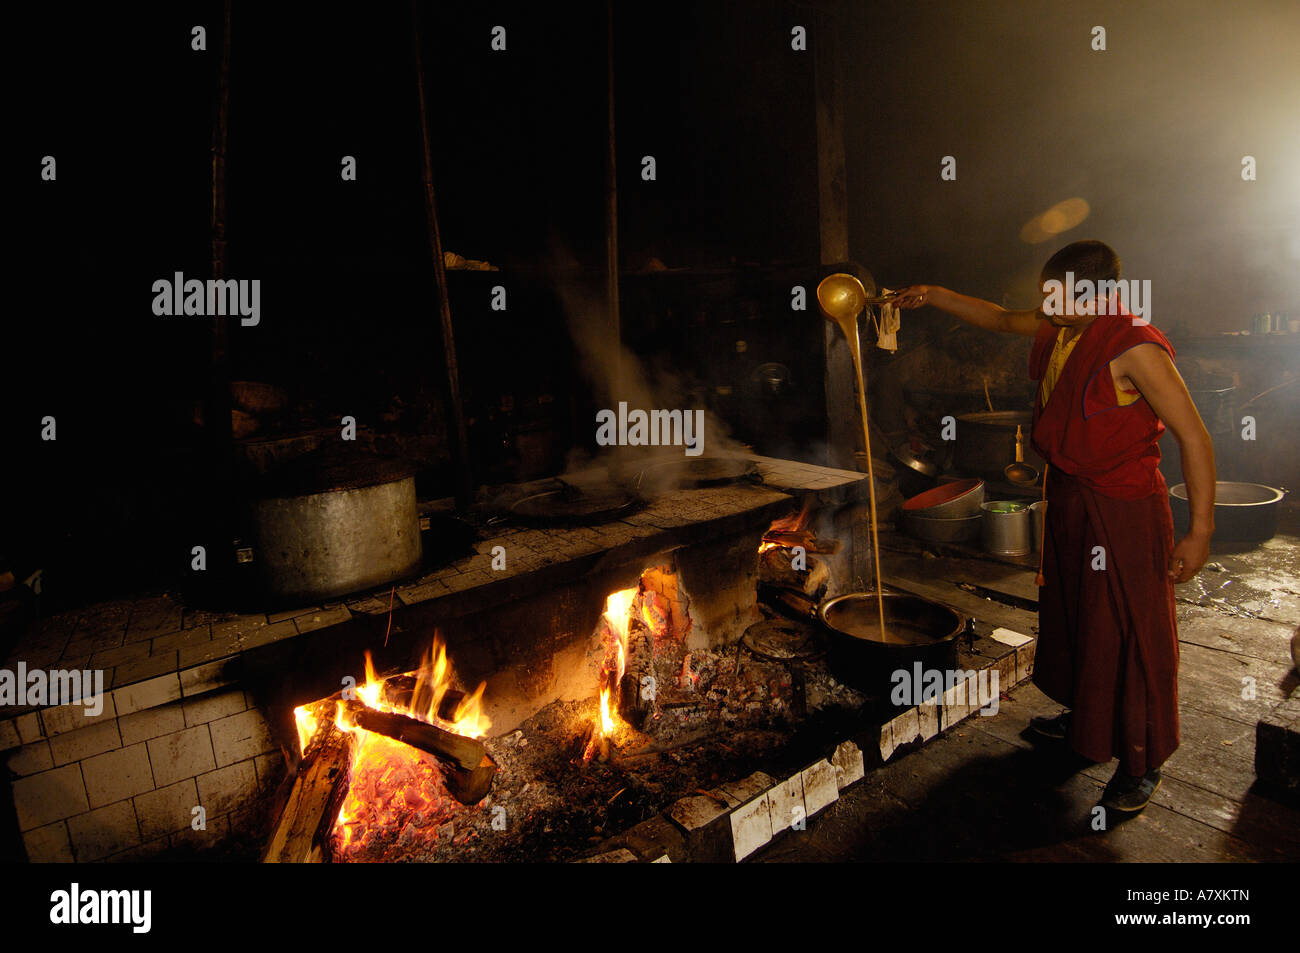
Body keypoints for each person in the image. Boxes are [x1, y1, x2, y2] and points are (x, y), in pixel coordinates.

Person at [893, 240, 1216, 813]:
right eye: (1046, 295)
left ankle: (1143, 760)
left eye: (1059, 297)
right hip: (1070, 499)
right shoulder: (1061, 325)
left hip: (1124, 508)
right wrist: (933, 294)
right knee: (1079, 617)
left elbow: (1195, 436)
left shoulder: (1136, 346)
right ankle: (1088, 728)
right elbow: (995, 316)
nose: (1047, 307)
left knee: (1131, 628)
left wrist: (1200, 533)